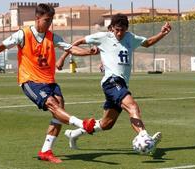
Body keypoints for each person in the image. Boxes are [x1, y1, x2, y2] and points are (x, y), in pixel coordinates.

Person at [0, 3, 97, 163]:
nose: (49, 23)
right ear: (37, 18)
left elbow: (71, 48)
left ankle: (46, 151)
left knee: (59, 108)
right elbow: (0, 47)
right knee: (52, 103)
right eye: (47, 20)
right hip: (30, 80)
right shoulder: (23, 34)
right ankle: (82, 124)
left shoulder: (52, 36)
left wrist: (88, 52)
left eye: (51, 20)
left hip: (49, 80)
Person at [56, 13, 171, 150]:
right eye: (117, 29)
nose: (119, 33)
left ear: (127, 28)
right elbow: (78, 42)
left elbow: (147, 43)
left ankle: (74, 134)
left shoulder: (130, 38)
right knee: (132, 106)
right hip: (111, 82)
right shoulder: (104, 37)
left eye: (122, 30)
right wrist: (62, 58)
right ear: (112, 28)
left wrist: (162, 33)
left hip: (122, 83)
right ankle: (144, 137)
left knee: (106, 124)